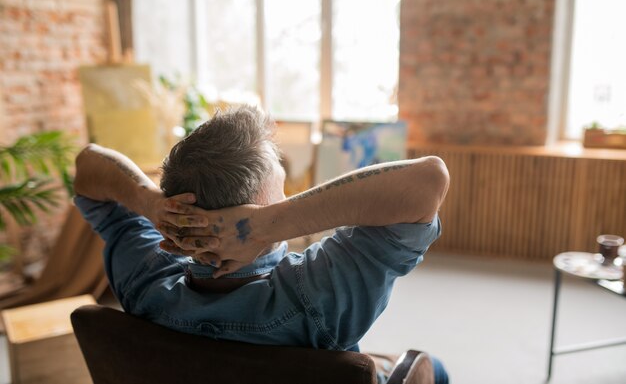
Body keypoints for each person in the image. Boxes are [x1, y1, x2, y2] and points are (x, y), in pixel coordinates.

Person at [73, 105, 450, 383]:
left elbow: (88, 164)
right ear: (255, 211)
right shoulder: (318, 298)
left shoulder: (143, 275)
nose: (289, 199)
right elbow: (428, 181)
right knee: (436, 369)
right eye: (281, 191)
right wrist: (264, 226)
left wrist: (149, 202)